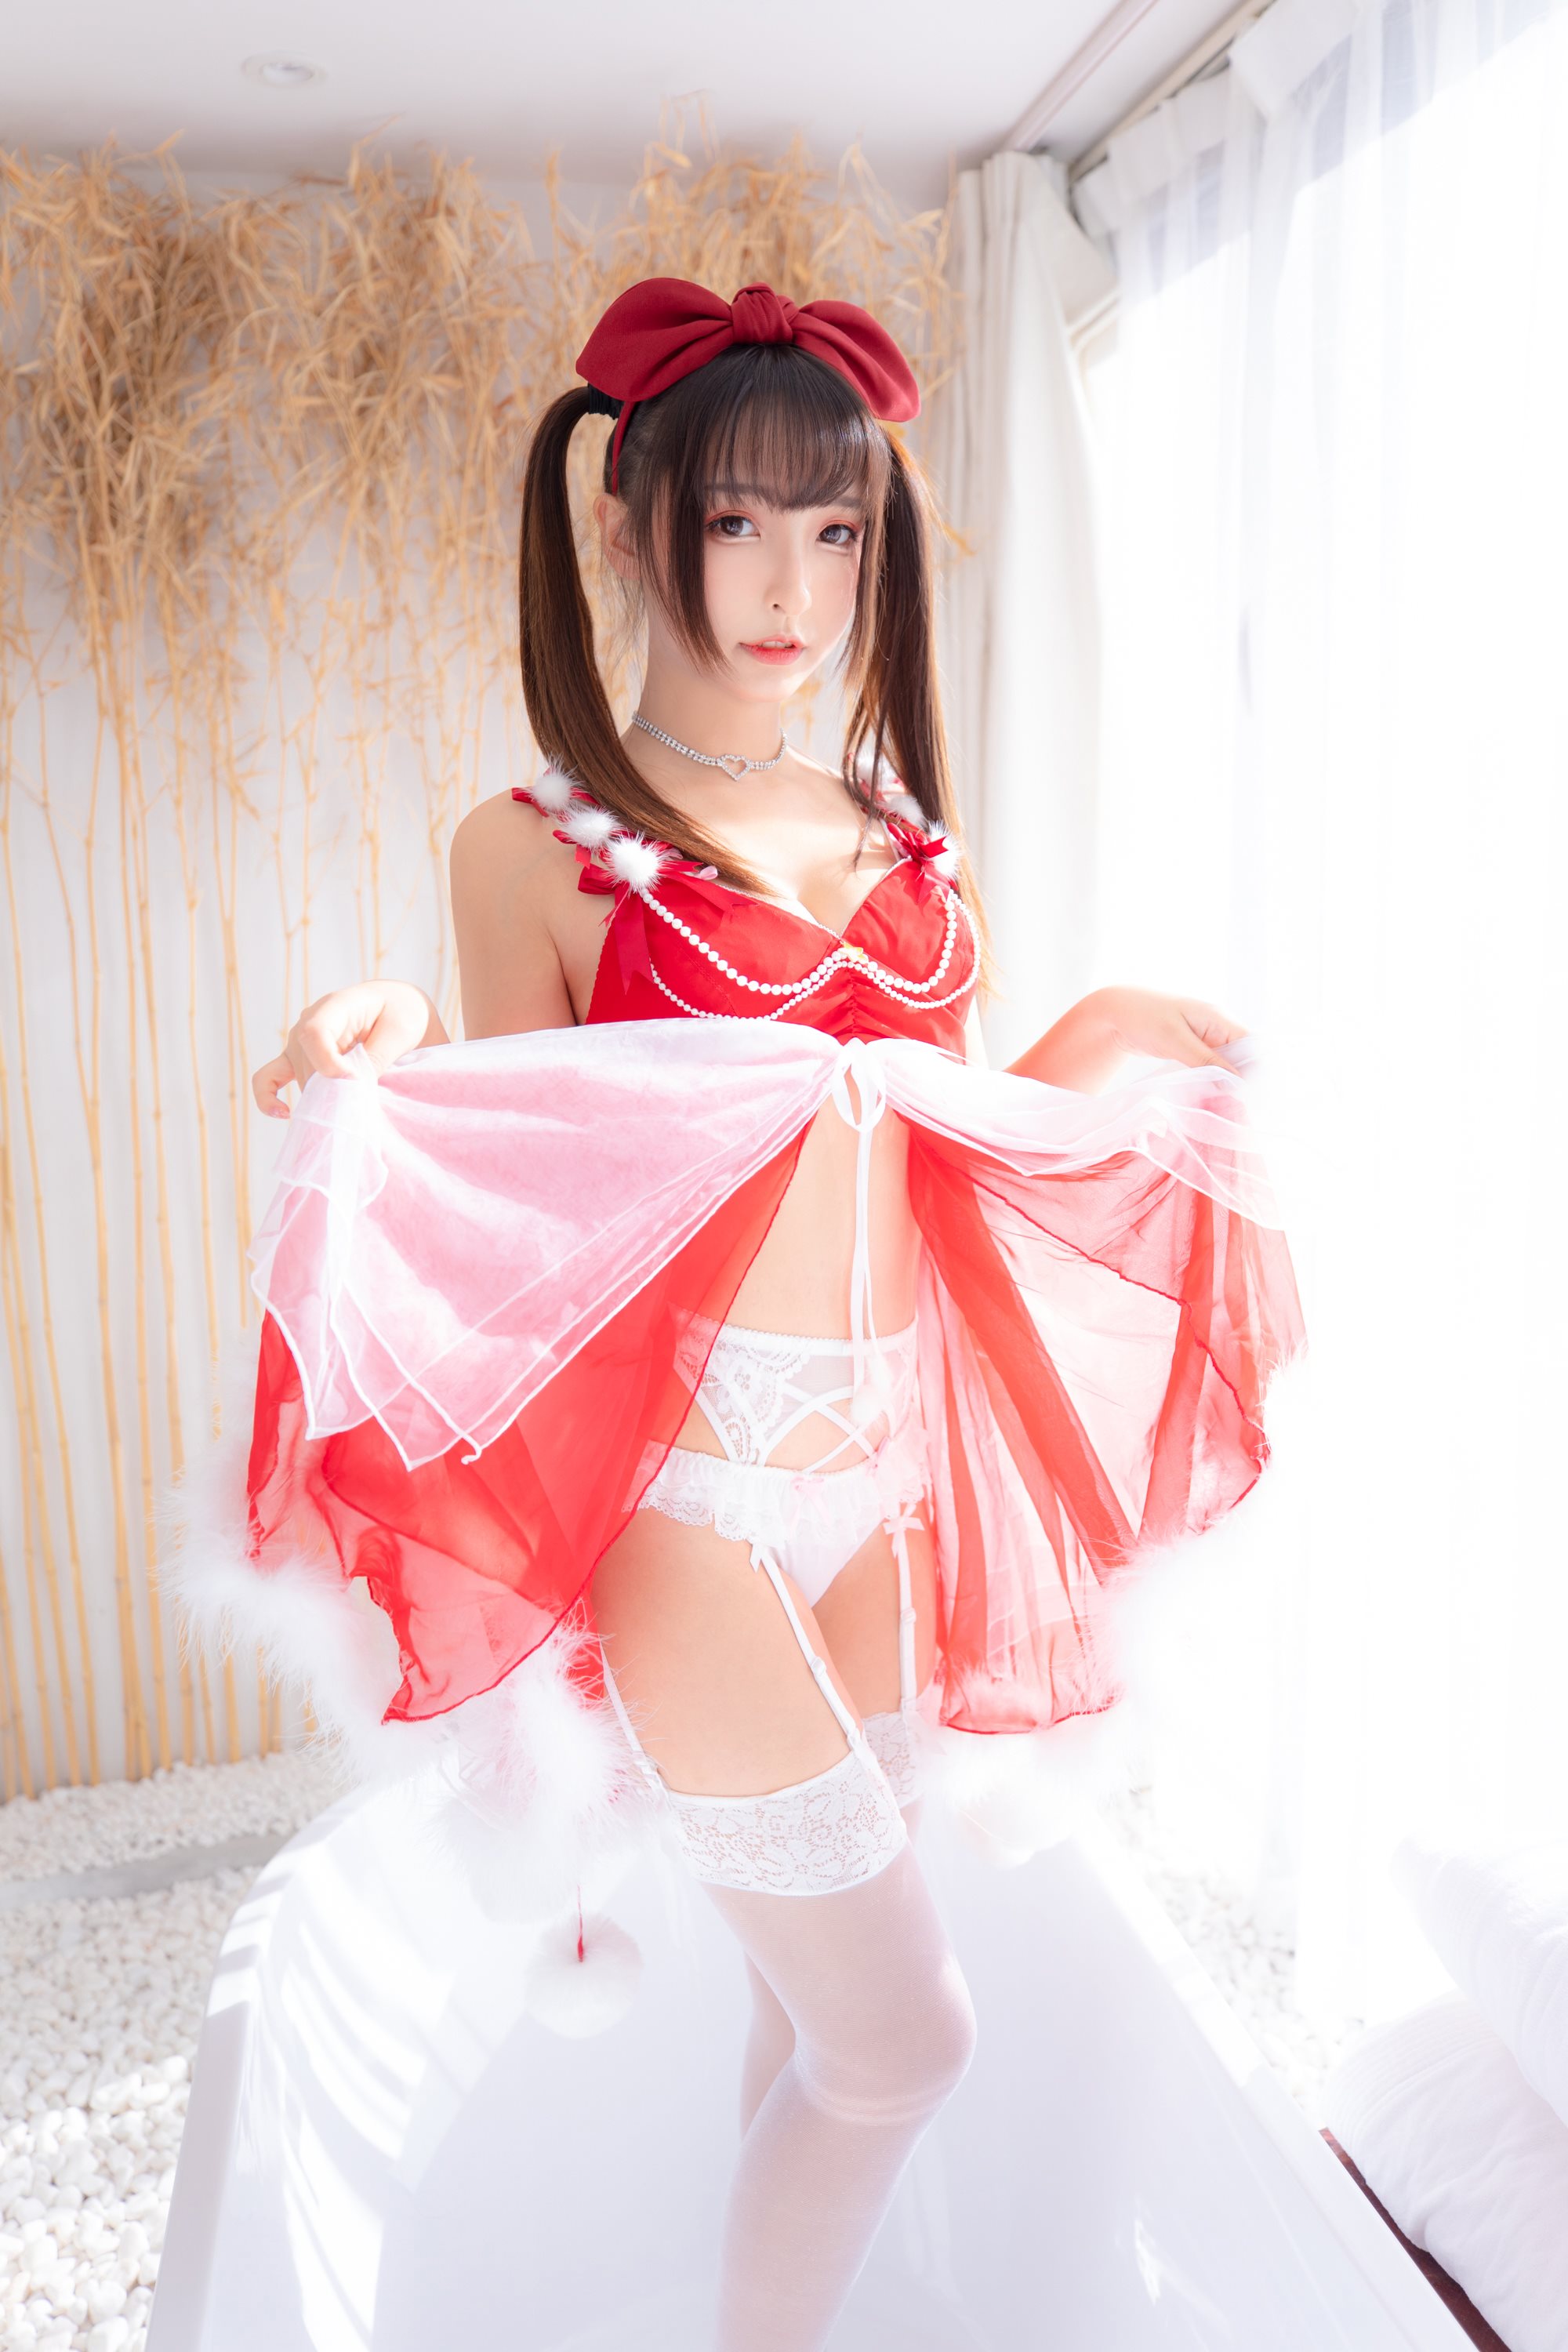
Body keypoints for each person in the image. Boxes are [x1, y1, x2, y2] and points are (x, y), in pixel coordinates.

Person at [216, 276, 1304, 2352]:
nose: (794, 586)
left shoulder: (904, 839)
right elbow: (535, 1178)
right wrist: (395, 1038)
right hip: (696, 1507)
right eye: (737, 525)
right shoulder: (537, 847)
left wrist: (1096, 1033)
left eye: (835, 528)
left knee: (819, 2019)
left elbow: (923, 1142)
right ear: (631, 528)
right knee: (910, 2041)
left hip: (880, 1493)